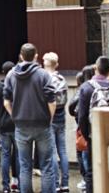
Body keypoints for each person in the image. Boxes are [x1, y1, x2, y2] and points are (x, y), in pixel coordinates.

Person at [3, 43, 56, 193]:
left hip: (21, 125)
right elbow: (52, 101)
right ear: (36, 56)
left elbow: (6, 101)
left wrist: (15, 116)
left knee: (24, 166)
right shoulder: (43, 74)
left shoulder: (11, 75)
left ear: (21, 56)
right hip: (42, 124)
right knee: (46, 166)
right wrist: (49, 118)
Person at [77, 57, 109, 190]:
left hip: (93, 136)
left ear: (95, 68)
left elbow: (82, 117)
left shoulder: (86, 88)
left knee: (91, 171)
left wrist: (87, 136)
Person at [42, 53, 70, 193]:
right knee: (63, 151)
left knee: (52, 152)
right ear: (56, 64)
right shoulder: (62, 79)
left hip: (49, 117)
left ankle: (56, 182)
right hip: (61, 115)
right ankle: (65, 183)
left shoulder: (45, 79)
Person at [0, 61, 19, 193]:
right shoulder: (18, 85)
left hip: (3, 125)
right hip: (16, 124)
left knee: (4, 155)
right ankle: (18, 183)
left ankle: (5, 186)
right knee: (18, 155)